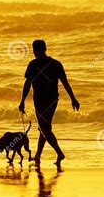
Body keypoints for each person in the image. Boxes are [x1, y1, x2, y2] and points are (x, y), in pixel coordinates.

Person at [18, 40, 80, 169]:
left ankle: (59, 153)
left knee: (44, 127)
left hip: (40, 100)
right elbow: (65, 83)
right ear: (45, 48)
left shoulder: (33, 64)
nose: (34, 52)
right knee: (44, 127)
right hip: (52, 100)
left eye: (34, 50)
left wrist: (22, 101)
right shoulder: (56, 64)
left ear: (35, 50)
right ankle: (38, 155)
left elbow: (27, 85)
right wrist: (73, 99)